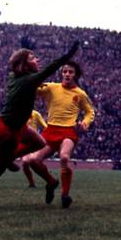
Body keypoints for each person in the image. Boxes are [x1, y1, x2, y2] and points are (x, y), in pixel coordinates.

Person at [0, 42, 79, 208]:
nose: (37, 59)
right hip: (7, 132)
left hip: (15, 126)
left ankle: (48, 180)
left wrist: (24, 50)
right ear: (24, 64)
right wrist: (68, 55)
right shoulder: (29, 80)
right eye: (32, 58)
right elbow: (50, 69)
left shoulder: (13, 76)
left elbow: (21, 66)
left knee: (39, 143)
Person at [22, 61, 95, 209]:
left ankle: (65, 195)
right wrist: (28, 73)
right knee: (33, 160)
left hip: (68, 131)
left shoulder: (80, 94)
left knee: (64, 157)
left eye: (71, 72)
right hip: (51, 131)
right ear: (61, 73)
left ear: (75, 75)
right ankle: (51, 182)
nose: (67, 74)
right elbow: (33, 87)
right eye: (65, 71)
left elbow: (90, 111)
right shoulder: (52, 88)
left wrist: (85, 123)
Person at [21, 108, 48, 188]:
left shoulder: (36, 114)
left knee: (36, 162)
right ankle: (32, 183)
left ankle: (49, 179)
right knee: (25, 162)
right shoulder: (20, 113)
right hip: (24, 142)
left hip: (35, 142)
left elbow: (45, 126)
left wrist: (43, 138)